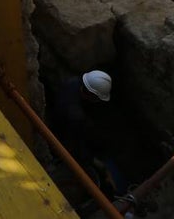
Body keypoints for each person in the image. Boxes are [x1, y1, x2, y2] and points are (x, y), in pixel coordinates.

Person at [48, 70, 126, 198]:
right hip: (62, 136)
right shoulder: (76, 116)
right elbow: (77, 142)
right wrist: (94, 161)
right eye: (97, 99)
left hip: (58, 121)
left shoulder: (72, 82)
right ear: (91, 95)